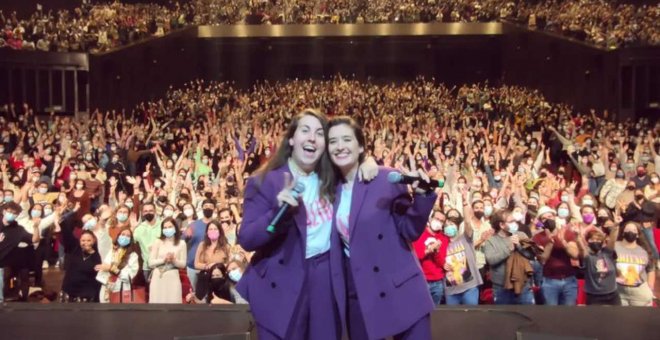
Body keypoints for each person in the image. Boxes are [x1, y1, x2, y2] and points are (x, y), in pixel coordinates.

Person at [237, 109, 375, 340]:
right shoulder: (265, 181)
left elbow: (355, 159)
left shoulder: (334, 179)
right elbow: (248, 239)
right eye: (305, 130)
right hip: (281, 283)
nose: (312, 137)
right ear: (291, 139)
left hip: (325, 279)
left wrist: (368, 161)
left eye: (320, 133)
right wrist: (275, 213)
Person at [327, 116, 436, 340]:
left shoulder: (386, 178)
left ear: (360, 146)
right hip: (360, 295)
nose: (340, 147)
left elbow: (409, 230)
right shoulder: (328, 189)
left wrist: (423, 196)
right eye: (333, 141)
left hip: (400, 289)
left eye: (346, 139)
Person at [483, 209, 535, 305]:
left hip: (523, 286)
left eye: (515, 221)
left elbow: (531, 255)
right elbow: (491, 260)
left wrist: (519, 246)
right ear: (501, 225)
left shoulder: (522, 235)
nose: (515, 224)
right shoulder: (491, 241)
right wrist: (509, 249)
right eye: (511, 222)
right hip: (501, 289)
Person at [533, 206, 579, 305]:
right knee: (552, 314)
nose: (548, 220)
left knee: (570, 314)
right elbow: (543, 259)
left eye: (550, 216)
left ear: (555, 217)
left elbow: (575, 254)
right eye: (544, 218)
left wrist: (563, 240)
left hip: (569, 280)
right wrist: (550, 242)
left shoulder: (566, 233)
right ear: (541, 221)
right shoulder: (537, 237)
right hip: (549, 281)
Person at [59, 205, 102, 302]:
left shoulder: (97, 255)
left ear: (94, 241)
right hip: (69, 292)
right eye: (83, 240)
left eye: (88, 240)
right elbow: (67, 234)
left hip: (87, 294)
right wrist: (62, 218)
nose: (85, 243)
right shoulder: (74, 248)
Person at [0, 202, 40, 302]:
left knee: (9, 276)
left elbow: (34, 240)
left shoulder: (18, 229)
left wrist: (36, 227)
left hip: (7, 262)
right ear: (4, 211)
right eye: (10, 212)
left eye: (15, 213)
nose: (12, 215)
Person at [576, 220, 620, 305]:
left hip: (612, 294)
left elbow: (612, 240)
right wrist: (578, 237)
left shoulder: (607, 253)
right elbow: (582, 250)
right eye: (592, 239)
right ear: (588, 241)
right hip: (594, 296)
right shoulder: (588, 257)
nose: (595, 241)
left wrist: (615, 226)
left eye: (598, 240)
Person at [413, 210, 449, 306]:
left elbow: (442, 263)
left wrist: (436, 251)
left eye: (441, 221)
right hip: (421, 279)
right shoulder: (419, 234)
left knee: (435, 314)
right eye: (437, 219)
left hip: (437, 282)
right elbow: (415, 256)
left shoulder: (443, 239)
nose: (438, 222)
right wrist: (429, 250)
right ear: (430, 218)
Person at [95, 227, 141, 303]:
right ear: (118, 236)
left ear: (131, 240)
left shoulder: (133, 255)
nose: (125, 237)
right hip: (107, 287)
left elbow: (129, 276)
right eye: (123, 234)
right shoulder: (112, 251)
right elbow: (105, 267)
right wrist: (103, 268)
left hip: (122, 288)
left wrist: (112, 268)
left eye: (128, 236)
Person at [615, 221, 656, 306]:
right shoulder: (614, 247)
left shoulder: (644, 250)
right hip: (618, 291)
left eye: (634, 230)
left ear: (637, 234)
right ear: (623, 232)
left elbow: (651, 269)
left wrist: (650, 287)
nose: (631, 232)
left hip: (639, 292)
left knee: (640, 318)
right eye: (628, 229)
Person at [149, 217, 187, 303]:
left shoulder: (182, 243)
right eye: (165, 228)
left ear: (175, 228)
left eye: (170, 227)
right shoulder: (158, 242)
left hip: (173, 277)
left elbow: (183, 264)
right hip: (158, 277)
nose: (167, 229)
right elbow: (150, 263)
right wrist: (163, 260)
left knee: (173, 301)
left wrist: (174, 260)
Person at [193, 219, 229, 302]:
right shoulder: (202, 245)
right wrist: (206, 266)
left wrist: (216, 265)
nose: (213, 231)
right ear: (207, 232)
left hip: (219, 280)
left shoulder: (226, 246)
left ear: (220, 231)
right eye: (210, 229)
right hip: (204, 278)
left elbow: (229, 264)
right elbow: (196, 264)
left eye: (215, 229)